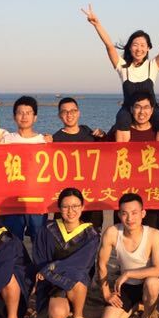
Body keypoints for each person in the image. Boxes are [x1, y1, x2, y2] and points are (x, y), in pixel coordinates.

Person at [82, 4, 159, 142]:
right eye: (135, 45)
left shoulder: (152, 66)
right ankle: (124, 153)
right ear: (129, 48)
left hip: (150, 108)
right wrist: (97, 24)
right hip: (128, 109)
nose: (139, 49)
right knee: (121, 121)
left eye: (142, 45)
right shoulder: (123, 67)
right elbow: (109, 46)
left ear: (148, 48)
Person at [33, 188, 100, 318]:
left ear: (82, 207)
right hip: (51, 280)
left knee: (79, 276)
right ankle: (66, 304)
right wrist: (46, 271)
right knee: (57, 316)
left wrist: (50, 268)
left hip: (75, 279)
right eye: (65, 207)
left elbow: (82, 263)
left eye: (75, 206)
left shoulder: (91, 235)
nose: (70, 211)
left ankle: (78, 315)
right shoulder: (47, 229)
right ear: (59, 208)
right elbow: (39, 257)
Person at [97, 193, 159, 318]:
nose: (130, 218)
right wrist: (106, 293)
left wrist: (128, 273)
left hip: (150, 284)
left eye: (134, 213)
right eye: (124, 213)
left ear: (143, 214)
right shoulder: (112, 232)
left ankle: (146, 314)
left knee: (152, 283)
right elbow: (101, 263)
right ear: (119, 215)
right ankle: (137, 306)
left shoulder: (153, 234)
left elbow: (158, 270)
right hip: (127, 285)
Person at [105, 92, 159, 230]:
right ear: (131, 109)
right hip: (124, 197)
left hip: (151, 197)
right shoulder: (120, 131)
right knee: (122, 237)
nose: (142, 112)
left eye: (146, 107)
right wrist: (99, 135)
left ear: (152, 110)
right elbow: (101, 153)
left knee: (151, 236)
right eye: (138, 107)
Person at [0, 96, 51, 240]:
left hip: (37, 199)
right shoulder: (6, 140)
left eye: (28, 113)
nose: (24, 116)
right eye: (20, 113)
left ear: (35, 117)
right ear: (14, 116)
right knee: (12, 239)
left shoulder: (44, 141)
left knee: (39, 238)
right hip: (11, 199)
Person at [52, 97, 105, 230]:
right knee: (65, 234)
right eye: (65, 111)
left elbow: (108, 152)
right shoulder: (55, 139)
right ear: (59, 115)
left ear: (78, 113)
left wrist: (103, 135)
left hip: (91, 194)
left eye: (73, 111)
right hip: (67, 196)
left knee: (93, 232)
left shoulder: (89, 133)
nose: (69, 114)